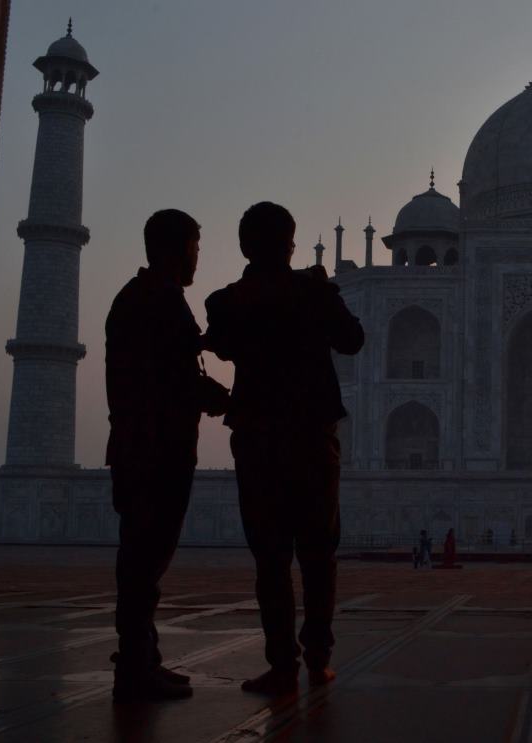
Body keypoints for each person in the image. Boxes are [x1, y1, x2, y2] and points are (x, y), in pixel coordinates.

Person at [205, 202, 364, 694]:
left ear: (244, 246)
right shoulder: (313, 293)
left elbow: (222, 345)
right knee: (318, 553)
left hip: (257, 439)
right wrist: (319, 290)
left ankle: (280, 666)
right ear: (291, 244)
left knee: (270, 558)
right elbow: (353, 340)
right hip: (313, 439)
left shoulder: (227, 300)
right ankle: (318, 657)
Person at [106, 209, 229, 702]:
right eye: (196, 248)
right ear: (176, 249)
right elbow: (168, 380)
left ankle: (143, 659)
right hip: (152, 449)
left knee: (145, 561)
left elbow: (174, 370)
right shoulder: (153, 301)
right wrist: (218, 396)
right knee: (142, 561)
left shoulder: (148, 298)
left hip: (152, 445)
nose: (198, 258)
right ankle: (135, 667)